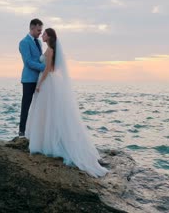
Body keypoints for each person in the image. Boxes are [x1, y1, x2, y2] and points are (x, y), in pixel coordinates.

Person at [25, 28, 108, 178]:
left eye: (44, 34)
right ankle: (45, 140)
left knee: (46, 112)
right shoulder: (50, 49)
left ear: (49, 37)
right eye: (41, 33)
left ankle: (48, 142)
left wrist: (39, 84)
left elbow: (48, 69)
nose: (42, 35)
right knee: (45, 113)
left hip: (46, 83)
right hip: (48, 83)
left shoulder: (50, 50)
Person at [18, 18, 45, 137]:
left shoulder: (38, 42)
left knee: (39, 106)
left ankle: (36, 131)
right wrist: (45, 67)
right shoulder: (24, 42)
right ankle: (22, 132)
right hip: (28, 79)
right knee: (26, 106)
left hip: (40, 79)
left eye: (41, 30)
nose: (40, 32)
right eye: (39, 30)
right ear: (32, 28)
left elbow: (39, 58)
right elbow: (28, 62)